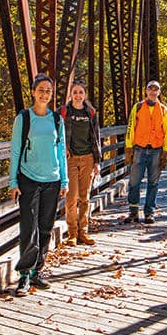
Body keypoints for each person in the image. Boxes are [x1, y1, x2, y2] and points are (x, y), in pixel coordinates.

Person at [9, 73, 68, 296]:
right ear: (33, 92)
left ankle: (36, 271)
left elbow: (61, 151)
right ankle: (24, 274)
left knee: (45, 227)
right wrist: (13, 181)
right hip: (29, 178)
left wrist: (65, 179)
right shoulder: (23, 118)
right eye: (41, 90)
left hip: (52, 180)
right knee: (28, 227)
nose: (44, 94)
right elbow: (15, 151)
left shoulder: (56, 120)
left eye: (48, 91)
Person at [123, 80, 167, 224]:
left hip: (156, 150)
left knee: (153, 182)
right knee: (134, 182)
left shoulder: (163, 110)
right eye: (150, 89)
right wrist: (128, 147)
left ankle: (149, 212)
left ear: (159, 92)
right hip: (139, 149)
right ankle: (133, 212)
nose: (152, 92)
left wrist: (166, 151)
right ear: (146, 91)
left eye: (155, 90)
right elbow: (131, 126)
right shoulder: (137, 107)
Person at [61, 81, 101, 246]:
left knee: (84, 198)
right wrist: (63, 148)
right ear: (70, 94)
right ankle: (72, 233)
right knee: (71, 197)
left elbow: (96, 138)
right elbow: (56, 133)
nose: (78, 95)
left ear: (84, 95)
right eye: (75, 92)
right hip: (70, 159)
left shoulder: (90, 113)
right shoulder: (63, 112)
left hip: (87, 158)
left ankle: (83, 232)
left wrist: (97, 161)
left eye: (80, 92)